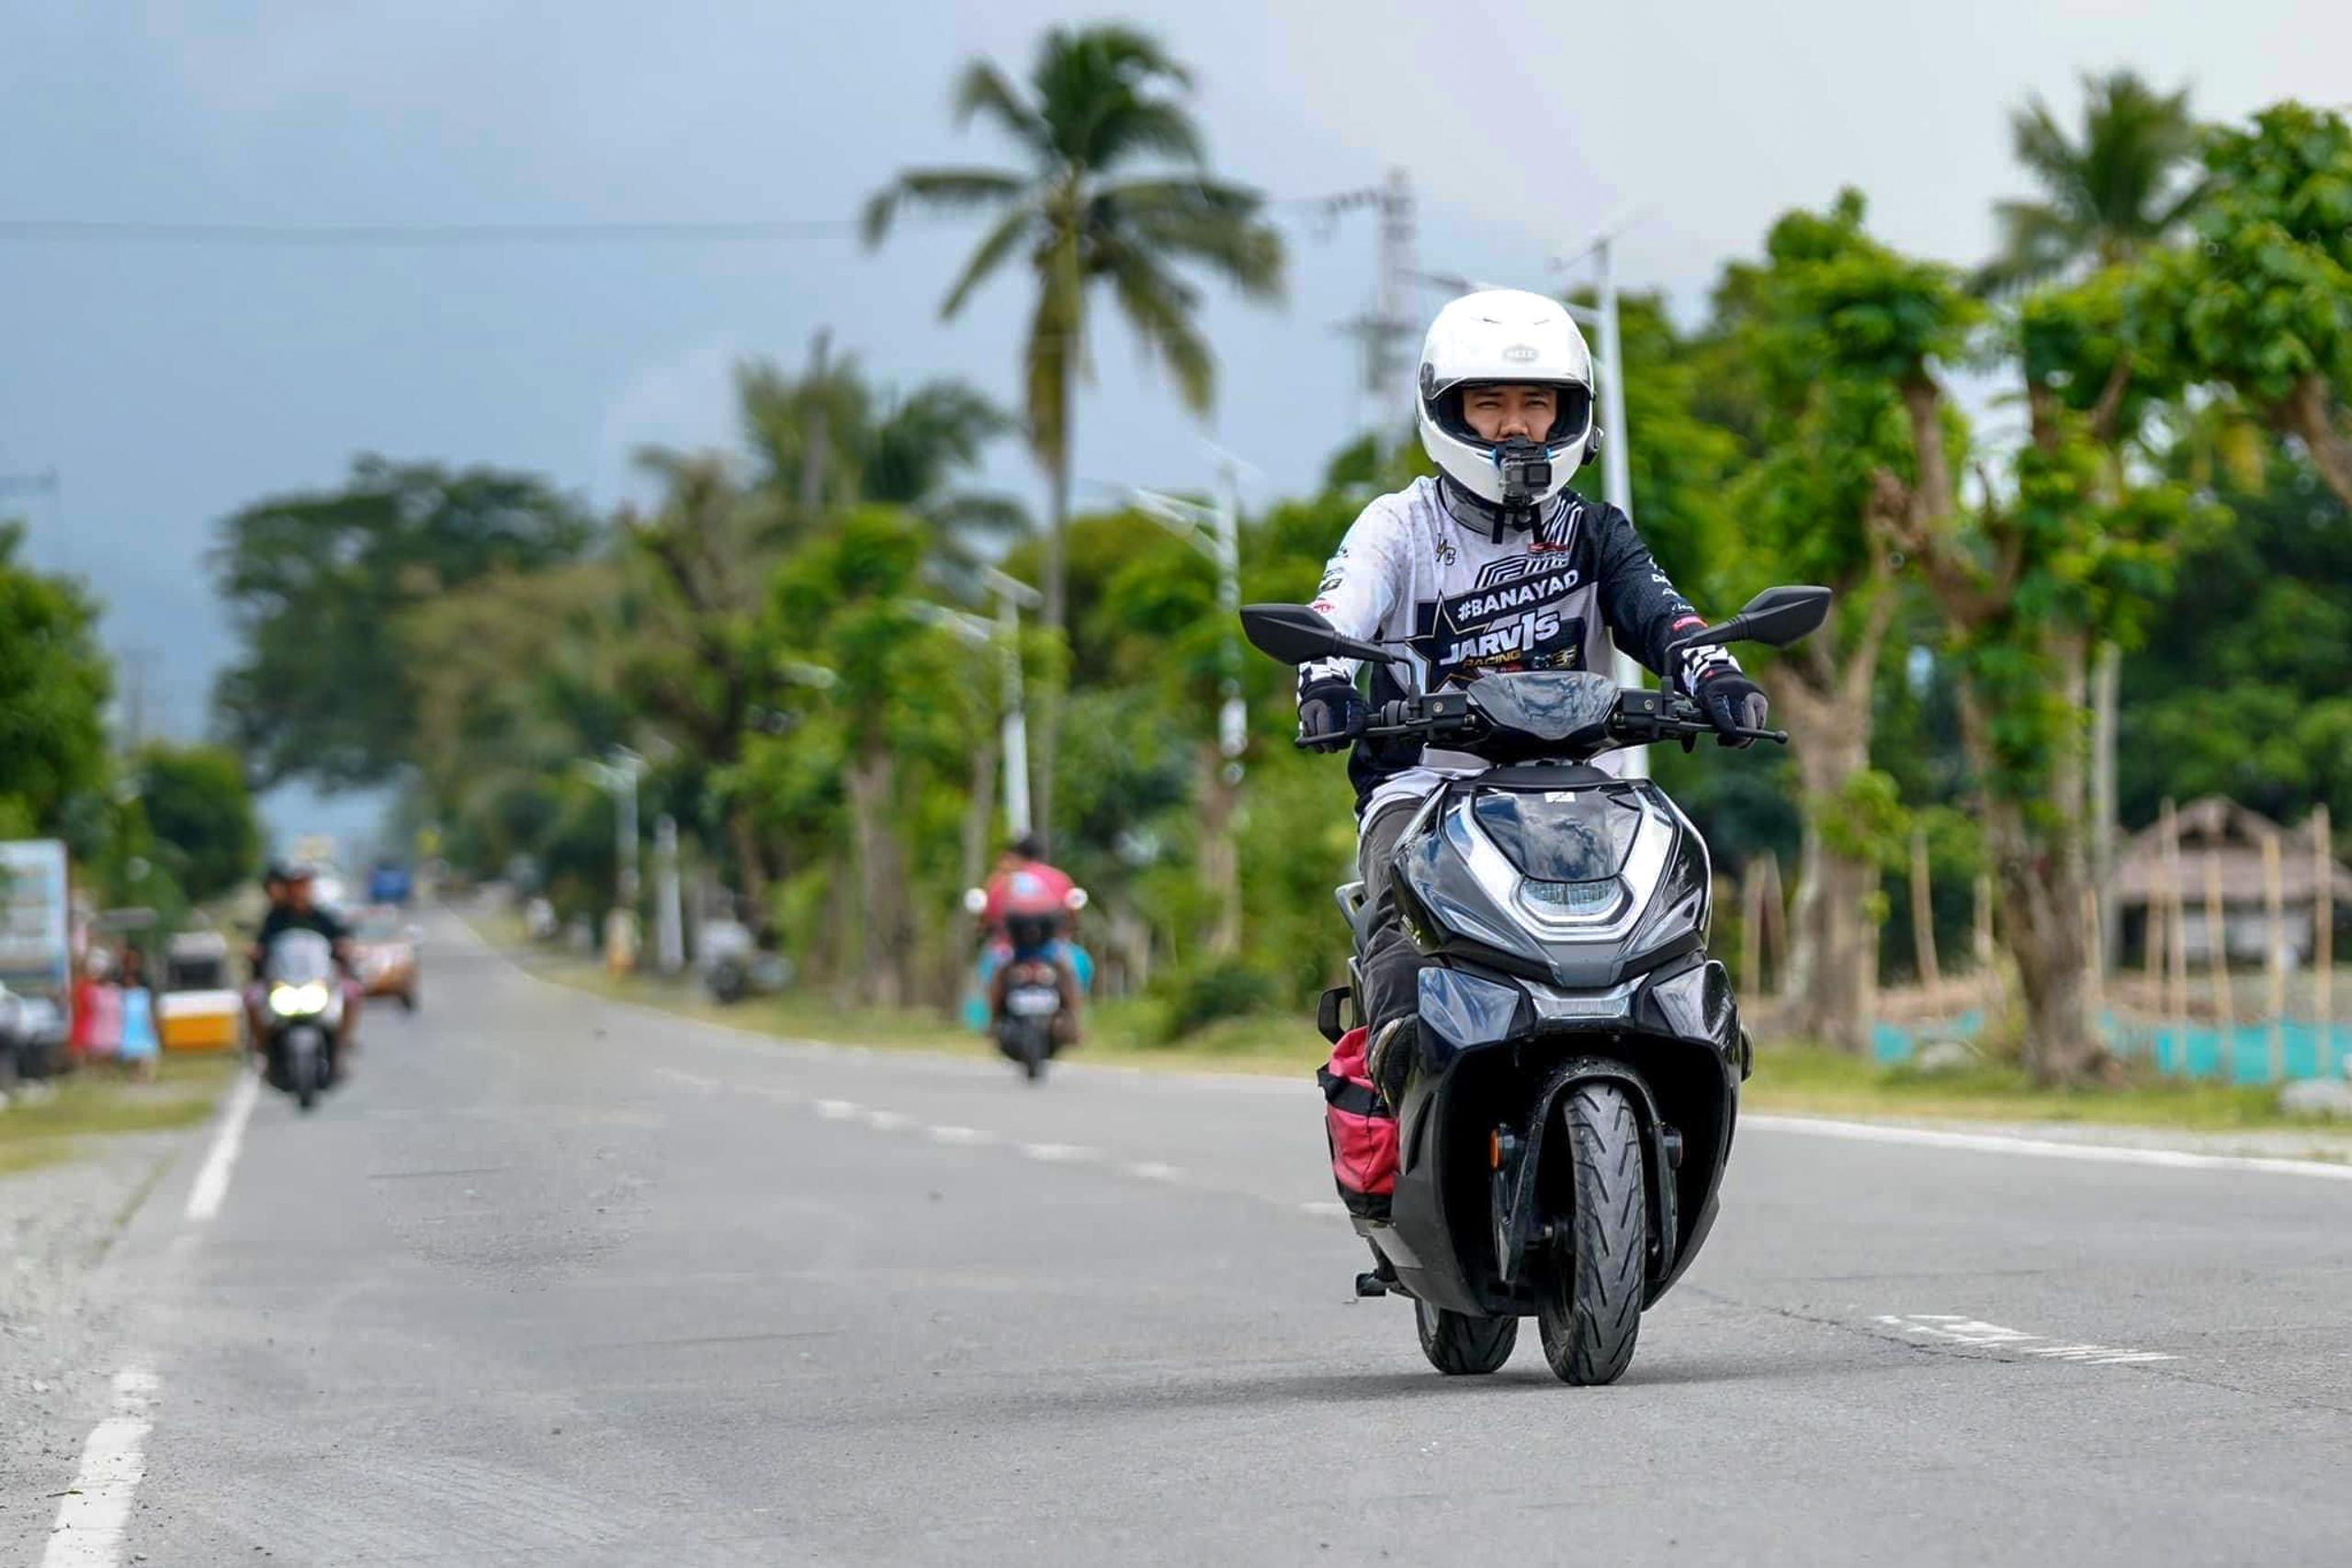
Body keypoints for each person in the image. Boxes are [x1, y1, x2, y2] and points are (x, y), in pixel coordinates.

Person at [1295, 288, 1770, 1103]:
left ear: (1569, 414)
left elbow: (1663, 615)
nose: (1515, 427)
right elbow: (1336, 613)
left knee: (1678, 934)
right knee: (1400, 953)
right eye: (1489, 404)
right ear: (1446, 411)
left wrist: (1717, 675)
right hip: (1426, 789)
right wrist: (1327, 679)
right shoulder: (1397, 525)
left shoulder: (1596, 530)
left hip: (1585, 793)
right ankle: (1400, 1112)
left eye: (1537, 403)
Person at [248, 862, 361, 1076]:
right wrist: (255, 951)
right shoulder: (275, 919)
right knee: (251, 998)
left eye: (304, 884)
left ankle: (342, 1045)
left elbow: (342, 937)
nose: (299, 890)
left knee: (352, 992)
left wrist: (345, 946)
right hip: (282, 982)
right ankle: (263, 1049)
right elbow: (260, 944)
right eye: (295, 885)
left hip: (319, 981)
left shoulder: (322, 916)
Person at [977, 836, 1087, 1043]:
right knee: (1069, 973)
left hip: (1011, 947)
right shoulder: (1058, 878)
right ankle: (1075, 1024)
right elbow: (1072, 910)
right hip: (1050, 946)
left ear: (1017, 855)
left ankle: (991, 1022)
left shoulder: (1004, 880)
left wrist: (984, 928)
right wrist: (1072, 928)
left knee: (996, 972)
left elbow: (988, 913)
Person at [117, 947, 159, 1082]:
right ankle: (135, 1075)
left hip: (141, 1021)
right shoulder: (119, 982)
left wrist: (153, 1022)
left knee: (147, 1051)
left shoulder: (145, 983)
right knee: (132, 1052)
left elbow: (150, 1006)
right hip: (128, 1023)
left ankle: (146, 1076)